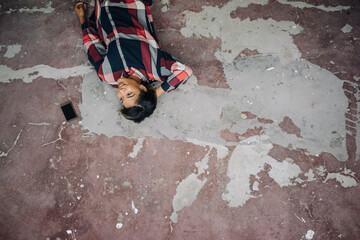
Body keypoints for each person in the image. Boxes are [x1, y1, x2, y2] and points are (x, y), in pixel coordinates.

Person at [74, 0, 192, 123]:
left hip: (103, 7)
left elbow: (92, 45)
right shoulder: (154, 69)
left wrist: (82, 18)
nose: (121, 92)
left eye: (121, 99)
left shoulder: (107, 76)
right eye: (129, 94)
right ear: (143, 89)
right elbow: (185, 71)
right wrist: (154, 95)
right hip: (131, 4)